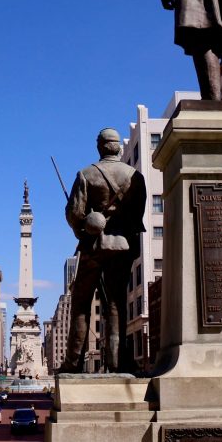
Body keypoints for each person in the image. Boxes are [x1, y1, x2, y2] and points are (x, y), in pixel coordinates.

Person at [60, 128, 147, 374]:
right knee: (116, 303)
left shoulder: (87, 174)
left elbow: (75, 213)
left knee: (81, 302)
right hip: (122, 246)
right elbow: (137, 215)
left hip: (94, 247)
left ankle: (73, 363)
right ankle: (118, 362)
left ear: (100, 147)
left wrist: (83, 229)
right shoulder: (135, 176)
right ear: (118, 148)